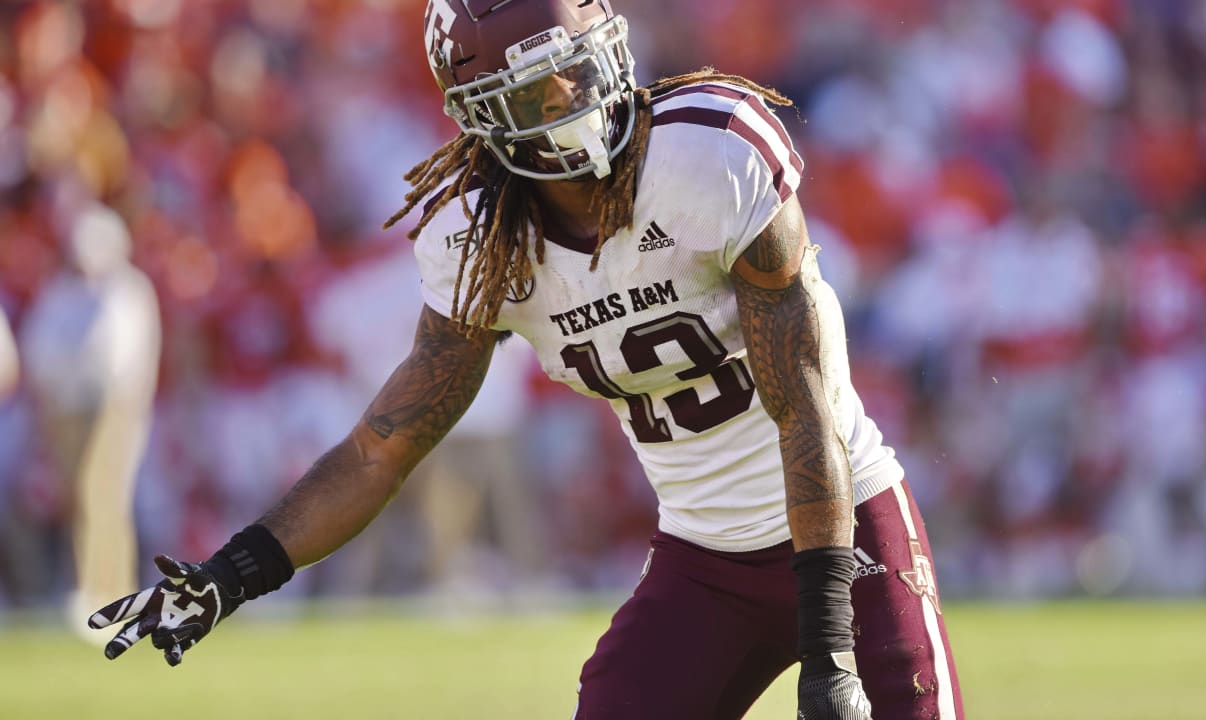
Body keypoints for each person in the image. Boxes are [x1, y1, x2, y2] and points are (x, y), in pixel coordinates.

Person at [88, 2, 964, 718]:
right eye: (546, 86)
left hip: (843, 530)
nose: (581, 92)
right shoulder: (480, 241)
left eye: (583, 64)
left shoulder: (712, 152)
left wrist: (831, 645)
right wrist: (231, 574)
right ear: (486, 116)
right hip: (704, 558)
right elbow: (380, 449)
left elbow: (806, 402)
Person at [19, 203, 160, 635]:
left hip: (112, 406)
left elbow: (121, 359)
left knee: (104, 497)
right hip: (66, 408)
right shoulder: (61, 292)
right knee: (79, 500)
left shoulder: (128, 290)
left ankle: (110, 593)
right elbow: (41, 348)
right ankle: (91, 586)